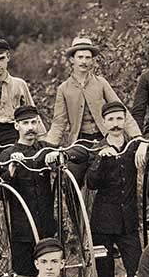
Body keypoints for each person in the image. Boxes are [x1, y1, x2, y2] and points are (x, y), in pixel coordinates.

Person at [83, 101, 142, 277]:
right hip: (102, 225)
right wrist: (99, 160)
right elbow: (91, 184)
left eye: (120, 118)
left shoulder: (133, 146)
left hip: (128, 223)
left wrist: (146, 146)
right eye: (112, 119)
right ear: (104, 123)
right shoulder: (96, 149)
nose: (117, 124)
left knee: (138, 275)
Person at [44, 37, 141, 184]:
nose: (84, 61)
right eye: (80, 57)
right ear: (72, 60)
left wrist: (137, 137)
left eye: (88, 57)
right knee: (69, 179)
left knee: (113, 176)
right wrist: (49, 148)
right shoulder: (63, 89)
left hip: (104, 140)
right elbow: (59, 122)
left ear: (92, 61)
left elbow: (121, 110)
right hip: (79, 143)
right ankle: (75, 207)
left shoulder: (101, 83)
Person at [0, 106, 59, 276]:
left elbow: (70, 153)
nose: (31, 127)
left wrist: (56, 157)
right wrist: (11, 170)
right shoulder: (8, 154)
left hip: (46, 229)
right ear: (16, 126)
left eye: (34, 122)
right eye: (25, 123)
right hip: (22, 232)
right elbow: (1, 195)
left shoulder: (44, 148)